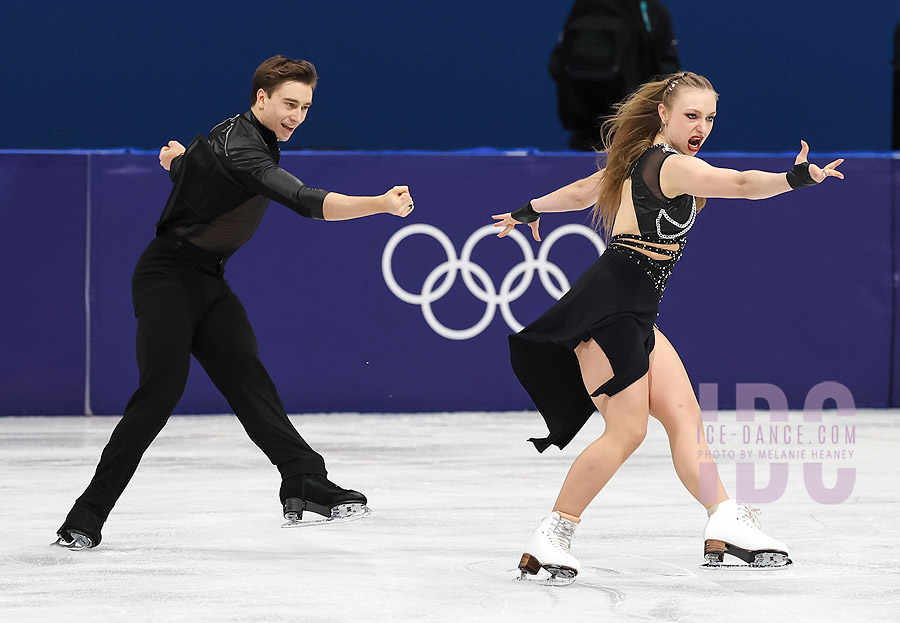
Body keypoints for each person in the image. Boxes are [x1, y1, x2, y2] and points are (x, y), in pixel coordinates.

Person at [492, 71, 844, 583]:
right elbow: (742, 186)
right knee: (628, 429)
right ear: (664, 114)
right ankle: (553, 534)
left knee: (684, 419)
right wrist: (796, 179)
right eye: (691, 115)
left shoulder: (638, 160)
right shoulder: (671, 166)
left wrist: (528, 210)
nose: (701, 126)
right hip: (608, 307)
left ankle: (724, 519)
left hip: (637, 310)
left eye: (710, 118)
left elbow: (582, 192)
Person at [55, 55, 415, 549]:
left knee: (248, 379)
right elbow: (305, 201)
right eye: (290, 103)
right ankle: (86, 514)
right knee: (160, 393)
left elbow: (199, 171)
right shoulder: (247, 151)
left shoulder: (235, 135)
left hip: (208, 279)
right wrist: (378, 204)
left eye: (306, 107)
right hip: (168, 277)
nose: (297, 116)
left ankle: (303, 478)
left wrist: (176, 161)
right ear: (261, 98)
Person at [550, 0, 680, 151]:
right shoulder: (654, 10)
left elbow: (556, 64)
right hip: (636, 139)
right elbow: (668, 74)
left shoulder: (583, 6)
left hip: (589, 136)